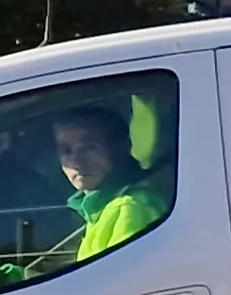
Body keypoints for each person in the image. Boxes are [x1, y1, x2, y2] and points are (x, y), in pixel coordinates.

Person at [44, 105, 166, 264]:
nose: (77, 162)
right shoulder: (98, 209)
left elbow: (121, 281)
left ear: (121, 148)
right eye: (66, 151)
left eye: (89, 148)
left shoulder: (130, 207)